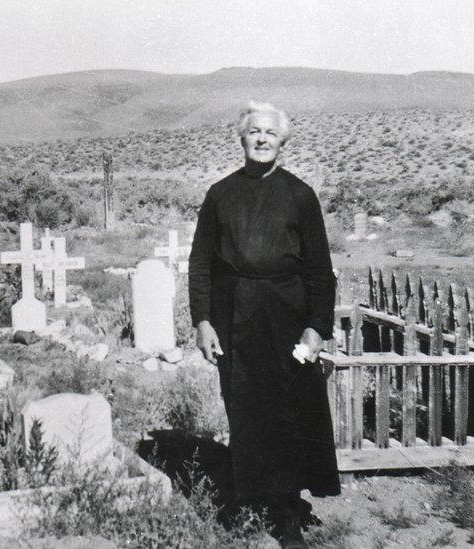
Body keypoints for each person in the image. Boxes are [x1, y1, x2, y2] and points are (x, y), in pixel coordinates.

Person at [188, 101, 340, 548]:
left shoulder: (299, 195)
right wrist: (202, 321)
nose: (261, 139)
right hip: (234, 318)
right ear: (242, 138)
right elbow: (200, 264)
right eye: (254, 131)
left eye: (270, 133)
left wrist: (315, 328)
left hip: (288, 318)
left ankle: (289, 512)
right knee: (247, 412)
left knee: (291, 413)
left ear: (282, 141)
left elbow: (319, 270)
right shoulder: (220, 194)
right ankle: (252, 502)